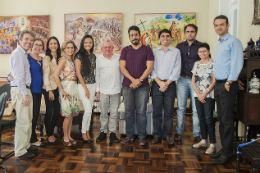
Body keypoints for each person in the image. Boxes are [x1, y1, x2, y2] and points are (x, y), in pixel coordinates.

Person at [210, 15, 243, 164]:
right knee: (222, 119)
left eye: (221, 25)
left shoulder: (233, 42)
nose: (219, 27)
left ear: (228, 25)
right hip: (219, 84)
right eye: (216, 25)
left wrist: (230, 81)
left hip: (227, 85)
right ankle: (224, 149)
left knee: (227, 120)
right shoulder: (220, 43)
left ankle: (228, 153)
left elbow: (237, 63)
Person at [120, 25, 154, 145]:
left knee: (141, 111)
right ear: (129, 37)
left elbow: (149, 68)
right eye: (132, 35)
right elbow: (122, 68)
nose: (134, 37)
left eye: (136, 34)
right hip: (127, 85)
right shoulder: (125, 50)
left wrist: (138, 80)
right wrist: (133, 80)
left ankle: (142, 136)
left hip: (143, 86)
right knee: (129, 111)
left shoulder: (147, 50)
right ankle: (129, 135)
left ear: (139, 35)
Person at [150, 29, 181, 145]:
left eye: (168, 36)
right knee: (157, 111)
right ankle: (157, 135)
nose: (165, 38)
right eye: (162, 36)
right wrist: (159, 82)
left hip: (170, 84)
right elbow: (150, 68)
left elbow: (177, 70)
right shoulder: (153, 51)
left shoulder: (176, 52)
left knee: (169, 112)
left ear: (171, 38)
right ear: (159, 38)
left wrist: (166, 83)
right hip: (156, 84)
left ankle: (167, 135)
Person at [10, 29, 37, 158]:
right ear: (19, 40)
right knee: (22, 121)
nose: (29, 42)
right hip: (21, 90)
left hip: (25, 89)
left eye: (31, 40)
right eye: (26, 39)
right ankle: (20, 150)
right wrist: (25, 94)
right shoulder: (18, 54)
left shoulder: (24, 54)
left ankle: (26, 146)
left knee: (28, 120)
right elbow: (19, 78)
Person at [174, 24, 201, 142]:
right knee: (181, 108)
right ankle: (179, 132)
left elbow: (205, 61)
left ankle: (196, 134)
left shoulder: (200, 46)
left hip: (196, 81)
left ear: (195, 33)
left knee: (196, 109)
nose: (190, 33)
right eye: (188, 31)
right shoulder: (179, 46)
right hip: (182, 80)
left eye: (192, 31)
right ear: (185, 33)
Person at [53, 40, 79, 147]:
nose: (70, 49)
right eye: (68, 48)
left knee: (71, 115)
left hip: (73, 87)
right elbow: (55, 75)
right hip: (66, 88)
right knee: (67, 115)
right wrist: (62, 90)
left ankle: (69, 136)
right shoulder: (63, 60)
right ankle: (65, 137)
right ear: (64, 49)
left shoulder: (72, 60)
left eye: (72, 47)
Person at [191, 43, 216, 154]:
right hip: (198, 95)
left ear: (209, 51)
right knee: (201, 117)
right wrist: (198, 94)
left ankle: (212, 144)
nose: (202, 53)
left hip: (209, 95)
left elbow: (214, 81)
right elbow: (193, 80)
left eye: (204, 51)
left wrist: (204, 93)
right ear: (198, 53)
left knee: (208, 118)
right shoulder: (196, 64)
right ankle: (204, 140)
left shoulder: (213, 63)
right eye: (200, 52)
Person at [95, 40, 121, 143]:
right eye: (105, 47)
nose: (107, 49)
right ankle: (103, 132)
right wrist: (97, 91)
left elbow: (122, 73)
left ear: (113, 47)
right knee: (103, 113)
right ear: (102, 49)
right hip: (103, 91)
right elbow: (97, 76)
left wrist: (122, 87)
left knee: (114, 113)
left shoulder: (118, 58)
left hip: (116, 90)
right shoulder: (98, 60)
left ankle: (113, 133)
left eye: (109, 47)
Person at [75, 35, 96, 143]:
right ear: (83, 43)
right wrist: (86, 88)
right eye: (86, 42)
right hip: (83, 86)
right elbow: (78, 73)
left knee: (90, 111)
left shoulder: (93, 56)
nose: (88, 44)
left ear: (92, 44)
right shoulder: (79, 56)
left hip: (93, 85)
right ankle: (83, 132)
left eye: (90, 42)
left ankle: (87, 131)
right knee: (87, 110)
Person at [42, 36, 61, 144]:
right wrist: (49, 90)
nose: (53, 45)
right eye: (51, 44)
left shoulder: (60, 57)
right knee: (49, 112)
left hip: (58, 87)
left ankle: (51, 133)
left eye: (55, 43)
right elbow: (46, 75)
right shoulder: (46, 58)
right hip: (49, 88)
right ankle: (49, 134)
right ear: (48, 46)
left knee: (57, 111)